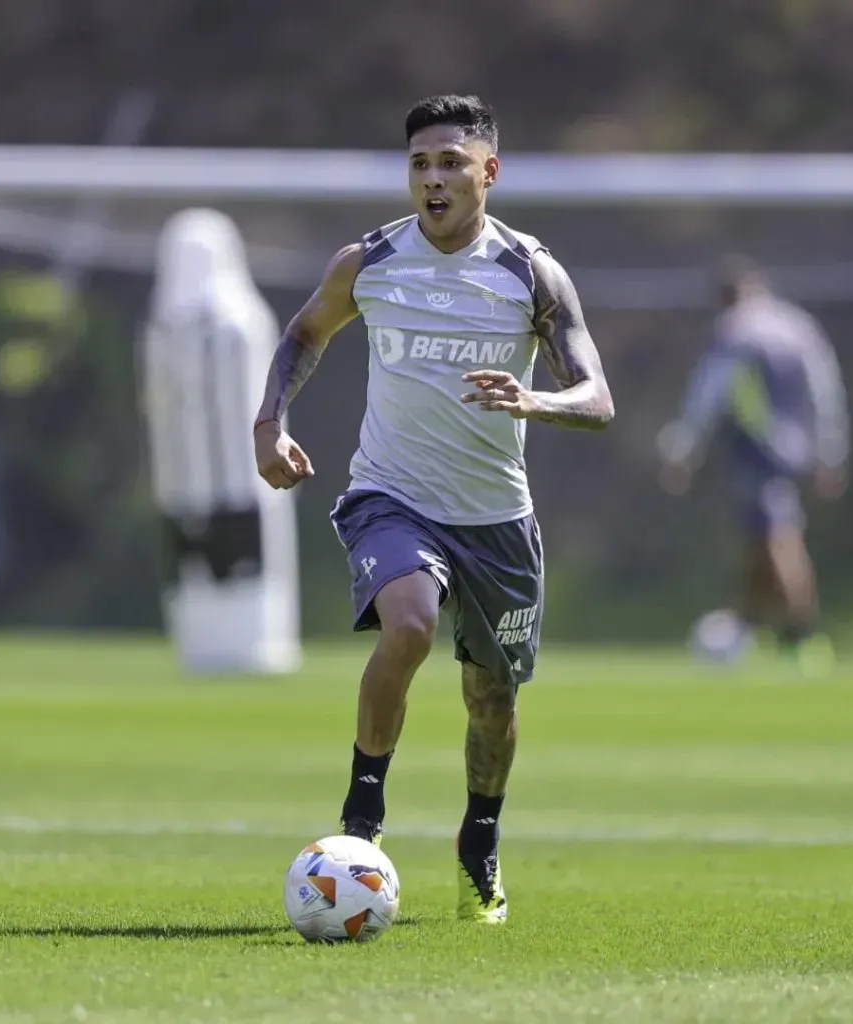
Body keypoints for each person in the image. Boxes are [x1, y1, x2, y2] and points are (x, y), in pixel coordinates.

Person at [253, 94, 613, 924]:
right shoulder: (370, 261)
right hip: (392, 496)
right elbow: (305, 334)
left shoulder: (531, 272)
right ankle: (361, 823)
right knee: (409, 623)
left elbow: (597, 400)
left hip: (496, 521)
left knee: (493, 699)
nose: (434, 178)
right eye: (420, 164)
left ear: (489, 171)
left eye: (452, 161)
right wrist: (271, 425)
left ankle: (478, 844)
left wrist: (534, 400)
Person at [656, 254, 849, 673]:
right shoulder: (797, 326)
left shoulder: (735, 331)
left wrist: (682, 450)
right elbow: (824, 389)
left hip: (758, 451)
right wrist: (829, 452)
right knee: (759, 542)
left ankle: (803, 636)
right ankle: (748, 630)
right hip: (796, 451)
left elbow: (708, 395)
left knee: (777, 539)